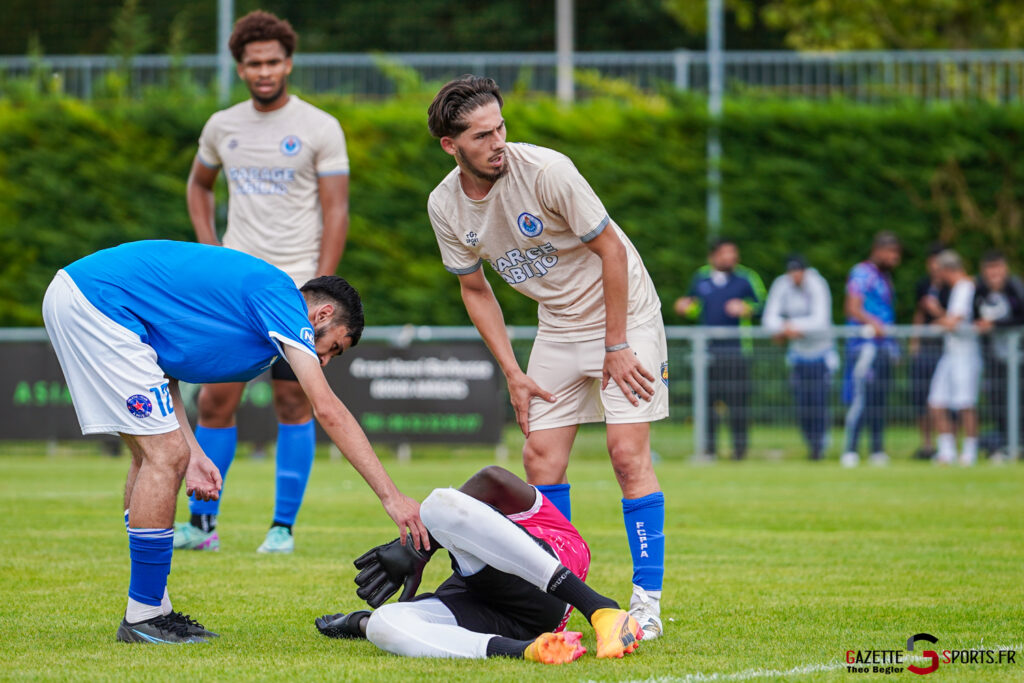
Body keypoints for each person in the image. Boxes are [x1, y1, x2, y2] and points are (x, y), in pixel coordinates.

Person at [41, 240, 425, 644]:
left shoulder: (258, 334)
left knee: (154, 455)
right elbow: (326, 408)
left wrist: (194, 451)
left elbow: (161, 368)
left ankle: (153, 608)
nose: (324, 359)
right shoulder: (281, 298)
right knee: (164, 455)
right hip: (96, 301)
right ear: (322, 313)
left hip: (93, 300)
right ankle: (144, 616)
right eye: (332, 347)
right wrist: (392, 497)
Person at [424, 76, 668, 639]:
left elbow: (611, 251)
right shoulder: (444, 204)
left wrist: (616, 345)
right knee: (539, 460)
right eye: (482, 135)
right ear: (450, 145)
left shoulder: (548, 171)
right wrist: (513, 372)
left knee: (626, 454)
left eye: (501, 127)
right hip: (556, 326)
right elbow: (474, 288)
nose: (498, 142)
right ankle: (563, 597)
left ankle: (646, 604)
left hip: (625, 313)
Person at [181, 10, 351, 554]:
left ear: (289, 62)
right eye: (253, 63)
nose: (263, 70)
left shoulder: (320, 127)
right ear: (240, 66)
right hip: (232, 294)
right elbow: (199, 187)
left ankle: (282, 529)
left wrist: (321, 285)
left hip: (294, 288)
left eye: (273, 61)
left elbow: (337, 211)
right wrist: (212, 252)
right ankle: (203, 525)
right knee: (213, 402)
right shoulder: (221, 126)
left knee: (294, 406)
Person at [316, 466, 643, 663]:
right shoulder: (468, 562)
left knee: (435, 507)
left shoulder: (548, 524)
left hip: (548, 595)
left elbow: (492, 478)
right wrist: (359, 623)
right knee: (383, 622)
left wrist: (422, 546)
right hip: (504, 620)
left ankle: (599, 607)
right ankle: (528, 651)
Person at [675, 238, 766, 460]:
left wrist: (747, 309)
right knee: (707, 404)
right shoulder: (701, 277)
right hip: (707, 353)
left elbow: (764, 307)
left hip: (737, 351)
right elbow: (695, 308)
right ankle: (709, 450)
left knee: (738, 404)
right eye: (725, 253)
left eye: (733, 253)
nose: (731, 257)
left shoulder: (747, 278)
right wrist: (685, 308)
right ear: (713, 256)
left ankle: (739, 451)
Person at [762, 254, 835, 460]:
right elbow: (769, 319)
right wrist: (787, 328)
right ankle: (811, 443)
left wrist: (791, 327)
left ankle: (820, 446)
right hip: (798, 355)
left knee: (819, 402)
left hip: (821, 354)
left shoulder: (818, 284)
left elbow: (821, 320)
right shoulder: (782, 284)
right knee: (802, 404)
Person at [841, 231, 901, 467]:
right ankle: (851, 449)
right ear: (879, 250)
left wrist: (892, 346)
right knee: (860, 398)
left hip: (883, 346)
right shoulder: (862, 273)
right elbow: (852, 307)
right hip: (864, 346)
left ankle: (877, 450)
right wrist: (873, 323)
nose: (896, 258)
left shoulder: (884, 277)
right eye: (892, 253)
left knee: (879, 399)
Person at [928, 250, 981, 465]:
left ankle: (969, 451)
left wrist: (936, 314)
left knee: (965, 403)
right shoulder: (957, 289)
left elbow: (953, 322)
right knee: (937, 401)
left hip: (965, 354)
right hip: (951, 353)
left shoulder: (965, 288)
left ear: (947, 270)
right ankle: (947, 451)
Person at [974, 250, 1024, 459]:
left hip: (1018, 356)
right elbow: (974, 317)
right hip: (994, 357)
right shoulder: (979, 290)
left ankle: (1019, 443)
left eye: (998, 268)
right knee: (997, 401)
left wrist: (994, 324)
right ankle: (1003, 444)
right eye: (990, 269)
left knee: (1019, 400)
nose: (994, 273)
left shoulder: (1015, 288)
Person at [909, 243, 951, 460]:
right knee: (921, 398)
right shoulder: (923, 285)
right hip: (925, 348)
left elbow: (955, 317)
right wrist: (914, 341)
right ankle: (927, 444)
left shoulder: (952, 287)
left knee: (942, 400)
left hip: (945, 349)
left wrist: (937, 311)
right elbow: (918, 313)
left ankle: (948, 443)